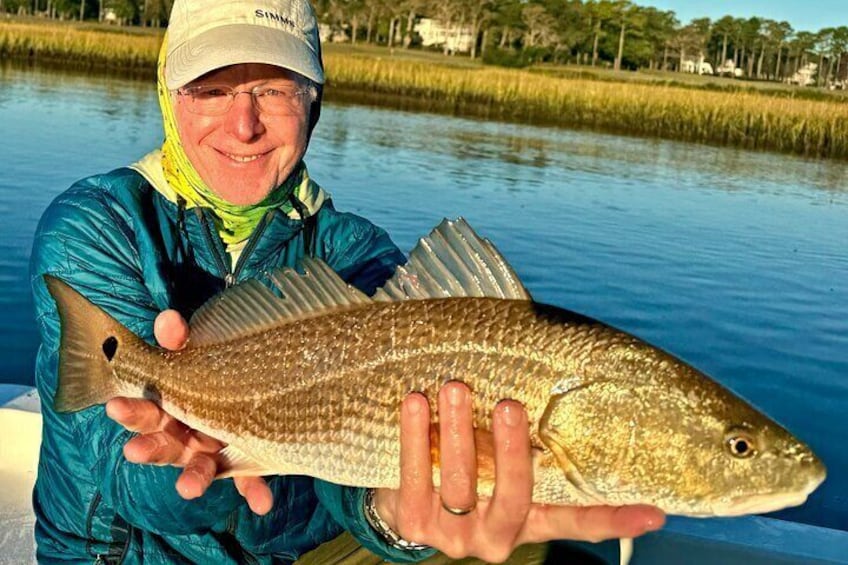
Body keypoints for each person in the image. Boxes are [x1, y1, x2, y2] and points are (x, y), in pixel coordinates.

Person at [29, 0, 665, 562]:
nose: (244, 124)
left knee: (521, 549)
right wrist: (204, 458)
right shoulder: (98, 223)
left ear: (315, 104)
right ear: (169, 97)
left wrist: (397, 521)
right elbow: (125, 483)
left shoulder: (354, 252)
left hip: (293, 555)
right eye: (213, 89)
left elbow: (353, 478)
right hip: (127, 557)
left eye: (275, 89)